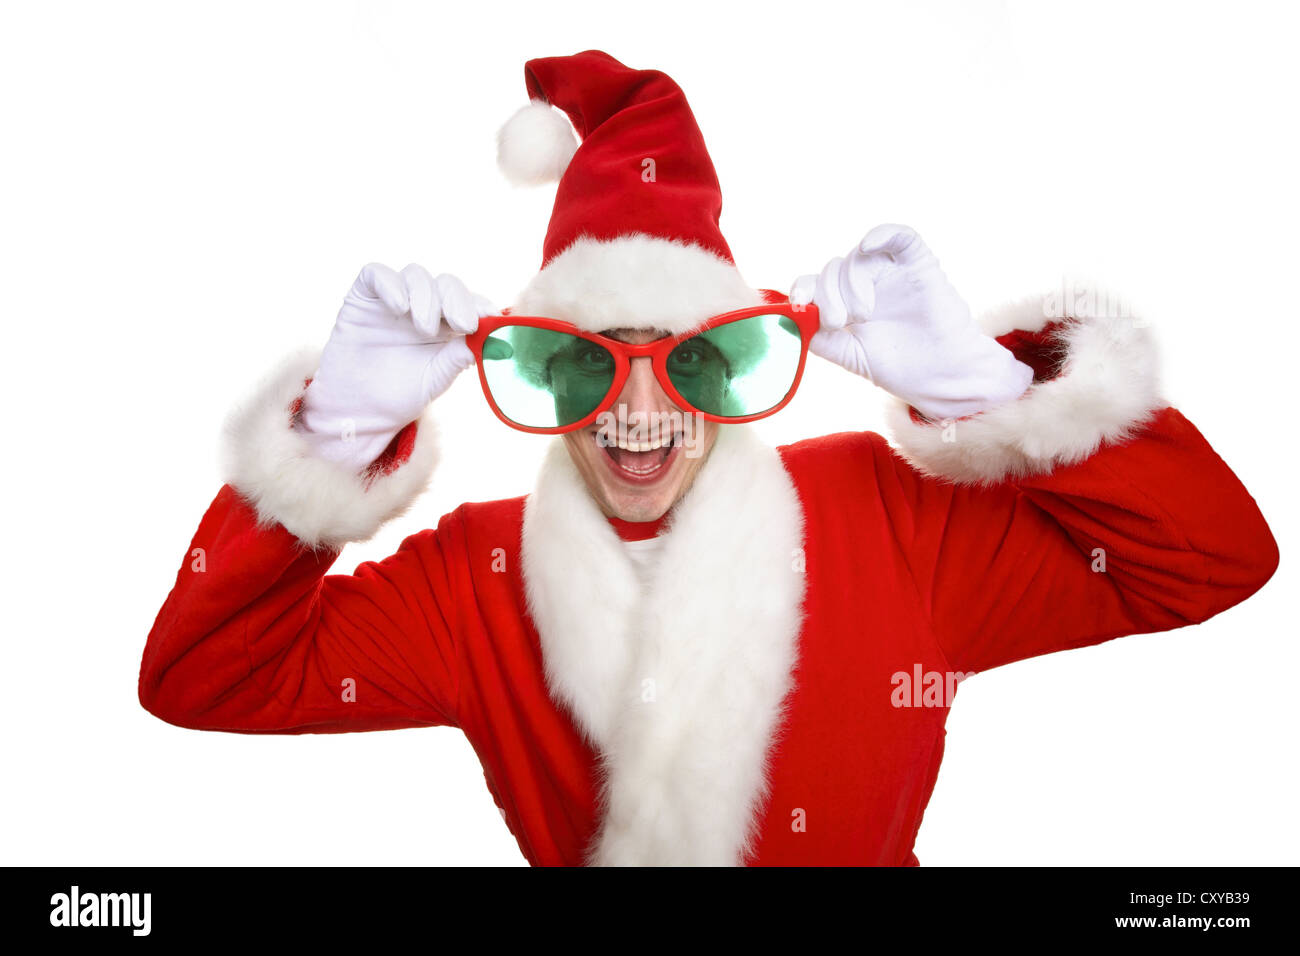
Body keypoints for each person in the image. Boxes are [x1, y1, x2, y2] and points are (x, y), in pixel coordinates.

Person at [138, 50, 1278, 866]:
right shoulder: (471, 575)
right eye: (590, 364)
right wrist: (331, 443)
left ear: (736, 371)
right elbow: (205, 678)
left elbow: (1211, 560)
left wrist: (989, 392)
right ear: (540, 369)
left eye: (689, 363)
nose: (639, 409)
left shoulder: (889, 516)